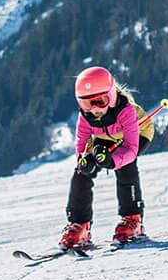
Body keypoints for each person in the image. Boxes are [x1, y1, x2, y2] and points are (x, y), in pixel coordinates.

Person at [60, 65, 146, 250]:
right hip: (104, 137)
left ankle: (133, 220)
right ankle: (80, 225)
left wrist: (112, 161)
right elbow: (83, 145)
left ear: (112, 96)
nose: (95, 109)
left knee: (125, 166)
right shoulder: (85, 117)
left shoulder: (126, 111)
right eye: (87, 103)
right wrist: (84, 161)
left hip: (137, 134)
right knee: (81, 173)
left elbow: (130, 149)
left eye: (101, 101)